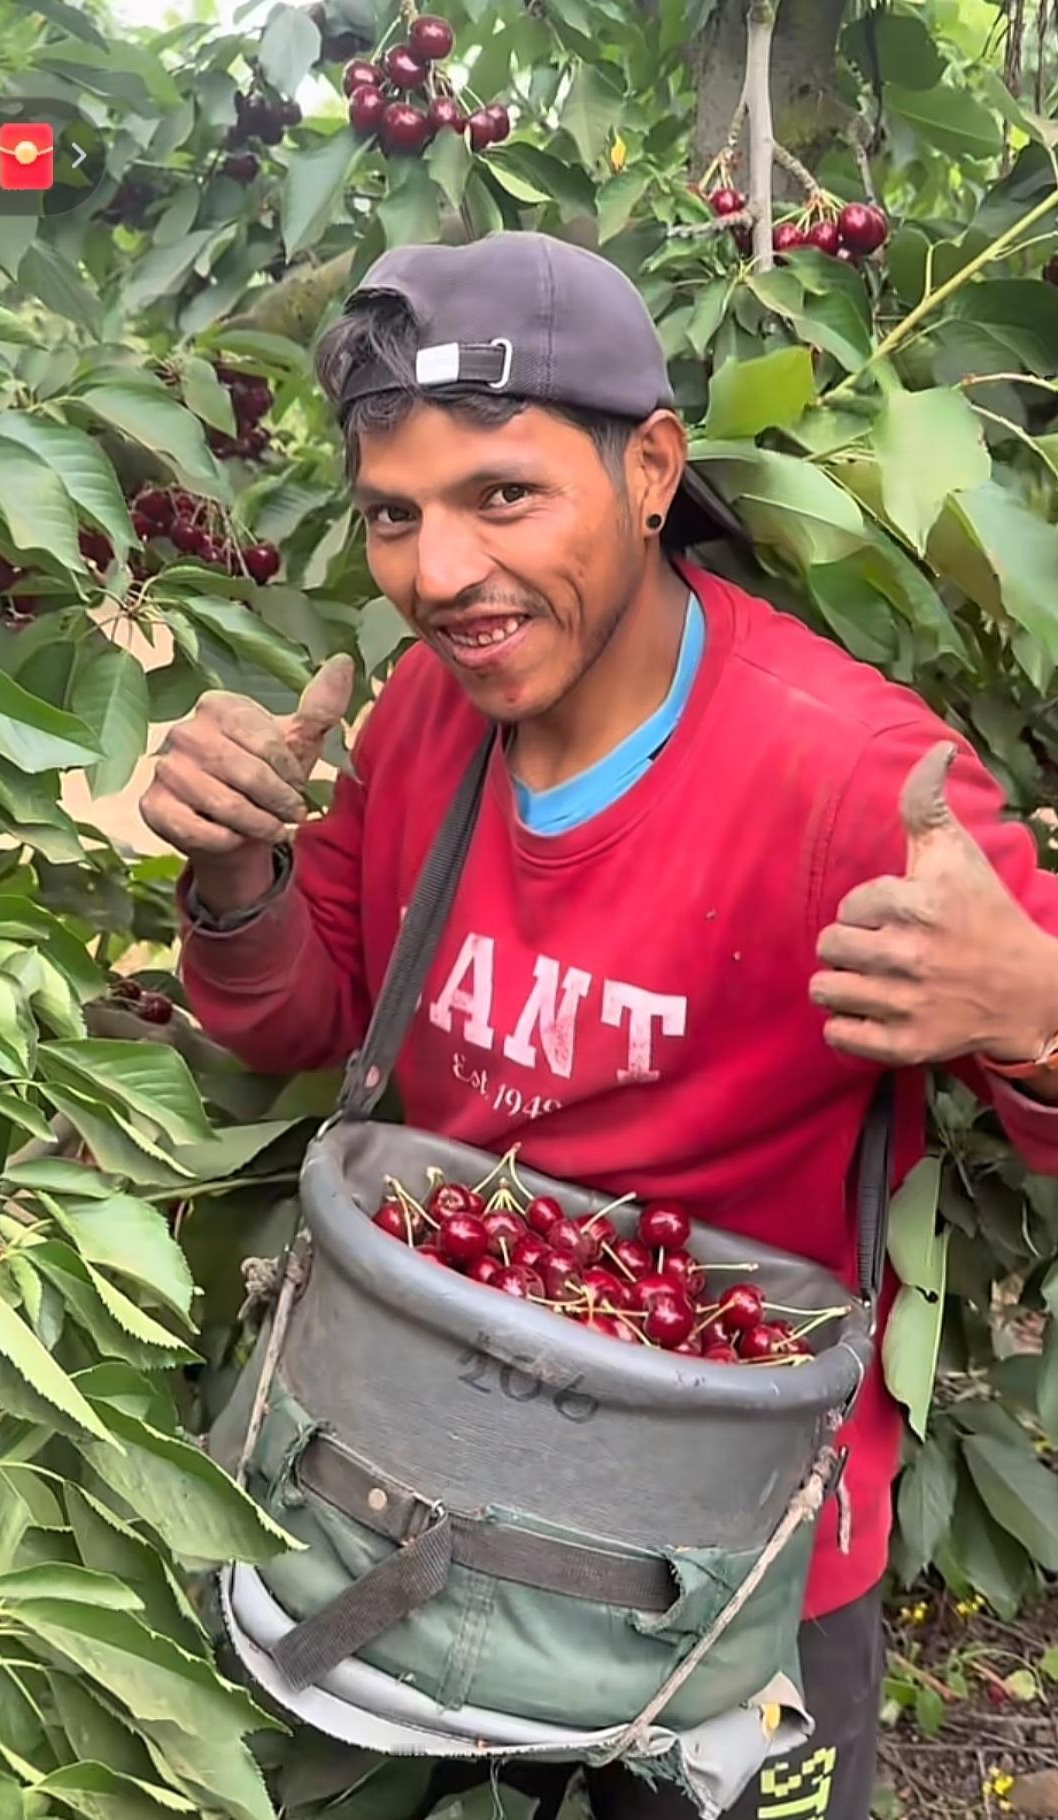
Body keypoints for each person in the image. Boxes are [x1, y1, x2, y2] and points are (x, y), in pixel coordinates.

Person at [141, 232, 1058, 1820]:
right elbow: (310, 1021)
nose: (439, 574)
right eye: (393, 518)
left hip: (710, 1554)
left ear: (651, 469)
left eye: (504, 496)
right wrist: (237, 877)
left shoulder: (853, 781)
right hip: (410, 1481)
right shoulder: (430, 719)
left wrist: (1033, 1013)